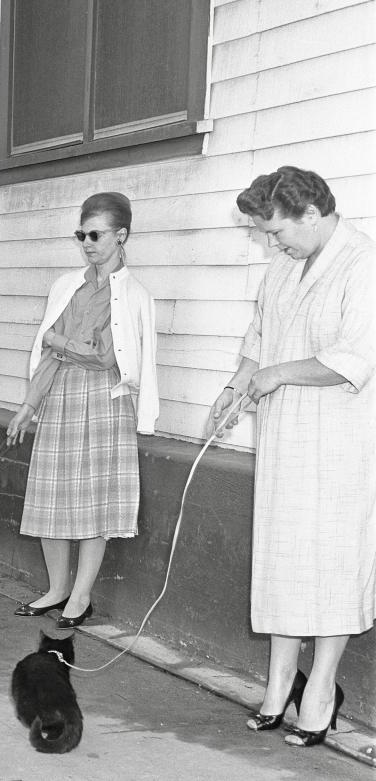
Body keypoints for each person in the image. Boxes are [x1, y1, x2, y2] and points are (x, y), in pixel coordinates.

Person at [210, 166, 375, 747]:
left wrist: (278, 374)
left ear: (311, 213)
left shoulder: (363, 262)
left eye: (276, 231)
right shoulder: (283, 267)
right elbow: (259, 340)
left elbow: (353, 357)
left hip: (339, 441)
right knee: (282, 560)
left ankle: (323, 691)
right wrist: (235, 389)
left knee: (329, 565)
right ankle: (279, 686)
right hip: (283, 440)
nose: (270, 243)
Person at [5, 192, 158, 627]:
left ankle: (82, 596)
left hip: (105, 401)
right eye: (81, 234)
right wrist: (28, 405)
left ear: (121, 235)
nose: (87, 242)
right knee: (50, 497)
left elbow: (106, 358)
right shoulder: (66, 286)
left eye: (97, 234)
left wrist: (60, 342)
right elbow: (52, 352)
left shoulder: (132, 294)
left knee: (94, 504)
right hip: (61, 397)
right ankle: (56, 589)